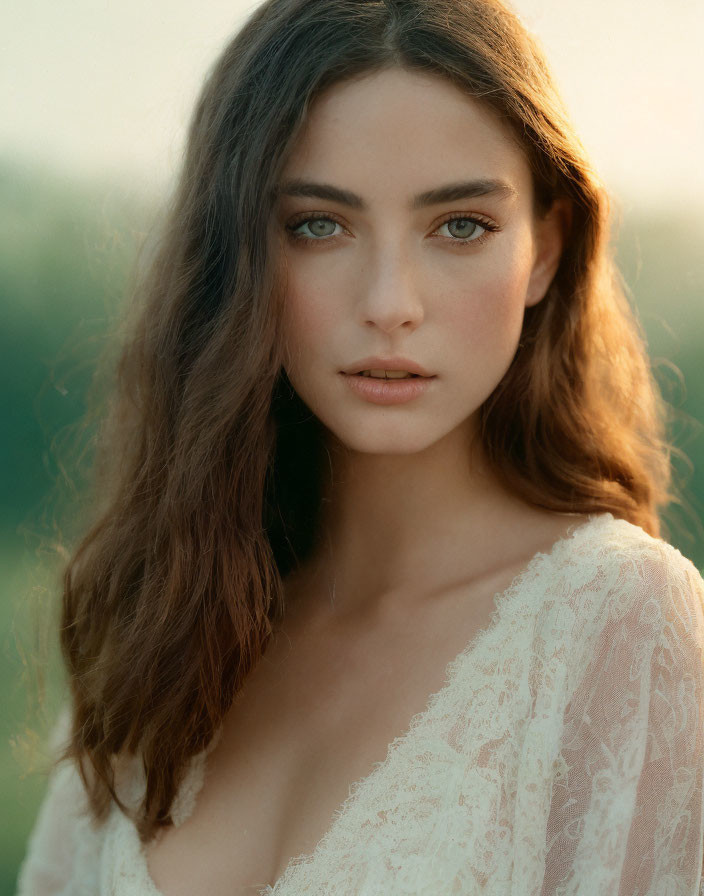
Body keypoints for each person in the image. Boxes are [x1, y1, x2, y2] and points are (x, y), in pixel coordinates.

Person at [15, 0, 704, 893]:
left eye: (460, 226)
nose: (390, 302)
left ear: (545, 248)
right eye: (318, 224)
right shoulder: (164, 622)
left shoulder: (621, 623)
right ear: (240, 253)